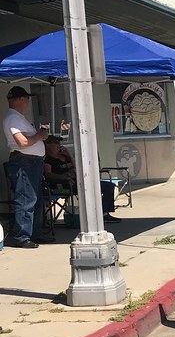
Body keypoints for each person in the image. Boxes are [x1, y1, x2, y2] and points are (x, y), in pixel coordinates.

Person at [3, 86, 53, 247]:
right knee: (26, 199)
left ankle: (33, 233)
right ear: (19, 100)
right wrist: (39, 136)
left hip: (32, 162)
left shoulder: (18, 118)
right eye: (26, 98)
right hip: (24, 162)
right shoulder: (13, 118)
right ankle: (22, 236)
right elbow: (22, 142)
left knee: (35, 199)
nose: (28, 102)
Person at [42, 136, 121, 223]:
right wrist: (64, 177)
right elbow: (48, 174)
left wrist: (70, 155)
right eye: (56, 143)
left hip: (78, 181)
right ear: (48, 145)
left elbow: (78, 167)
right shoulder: (48, 160)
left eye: (59, 143)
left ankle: (104, 213)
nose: (59, 145)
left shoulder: (65, 157)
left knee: (108, 186)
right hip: (64, 185)